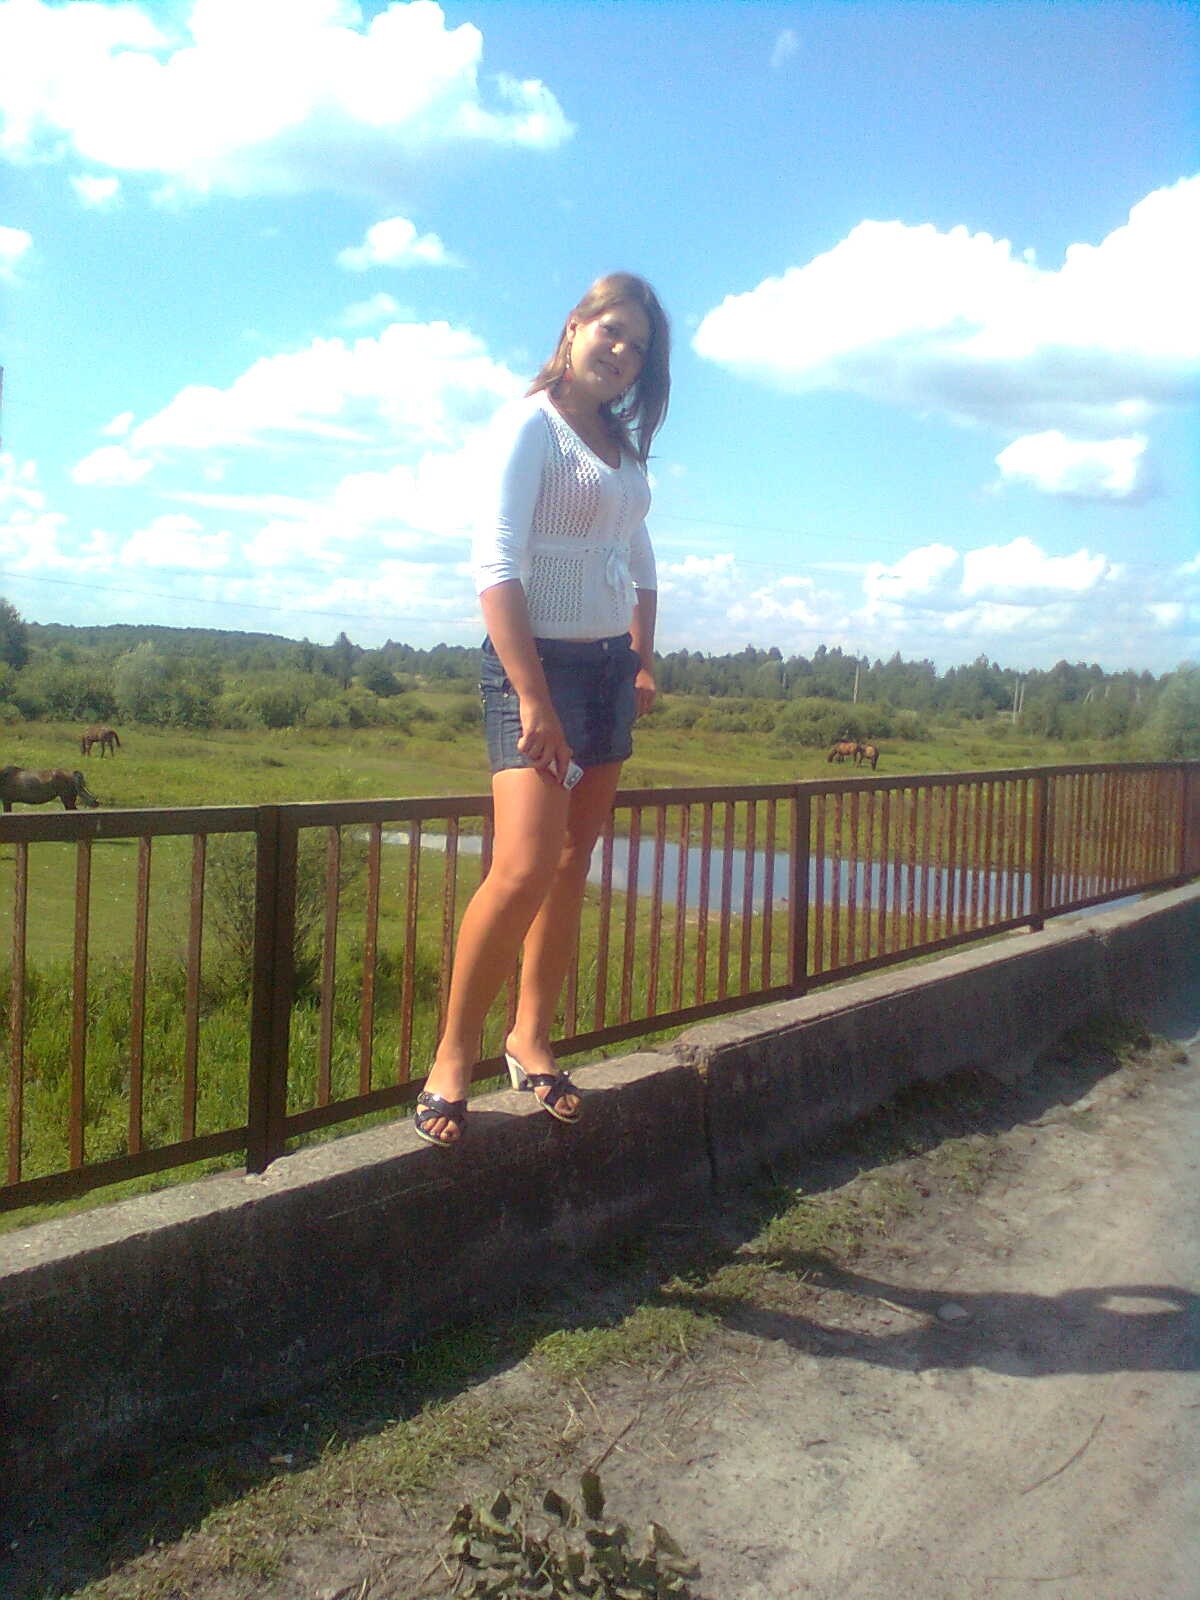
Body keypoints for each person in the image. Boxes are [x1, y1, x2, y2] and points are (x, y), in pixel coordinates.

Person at [413, 273, 671, 1147]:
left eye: (639, 346)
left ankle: (530, 1038)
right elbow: (496, 562)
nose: (623, 352)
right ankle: (453, 1057)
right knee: (523, 866)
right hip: (537, 669)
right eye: (612, 331)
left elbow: (639, 557)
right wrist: (532, 696)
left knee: (570, 863)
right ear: (575, 326)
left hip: (605, 672)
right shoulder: (531, 425)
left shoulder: (619, 448)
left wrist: (641, 655)